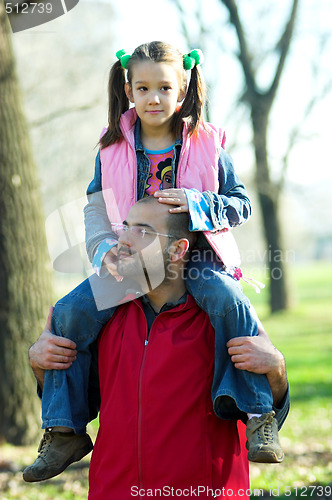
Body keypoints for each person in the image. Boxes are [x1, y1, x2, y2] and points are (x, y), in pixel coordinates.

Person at [23, 41, 281, 483]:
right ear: (128, 90)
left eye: (165, 88)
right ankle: (63, 428)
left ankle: (259, 415)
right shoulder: (111, 149)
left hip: (195, 259)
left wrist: (198, 203)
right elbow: (95, 209)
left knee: (230, 303)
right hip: (130, 263)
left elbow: (240, 204)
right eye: (143, 88)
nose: (154, 98)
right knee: (67, 312)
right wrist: (105, 250)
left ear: (182, 92)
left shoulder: (206, 144)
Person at [28, 198, 289, 499]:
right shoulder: (102, 320)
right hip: (114, 491)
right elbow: (82, 398)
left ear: (178, 249)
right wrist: (41, 364)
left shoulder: (221, 319)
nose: (124, 239)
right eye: (125, 227)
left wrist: (277, 370)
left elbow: (264, 416)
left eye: (142, 231)